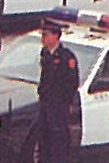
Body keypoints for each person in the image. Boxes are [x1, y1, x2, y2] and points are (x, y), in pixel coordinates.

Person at [37, 19, 79, 163]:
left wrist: (65, 102)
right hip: (45, 103)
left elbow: (72, 83)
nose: (43, 38)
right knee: (44, 138)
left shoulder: (66, 57)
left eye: (46, 35)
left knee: (58, 139)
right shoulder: (45, 53)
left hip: (59, 105)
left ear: (56, 36)